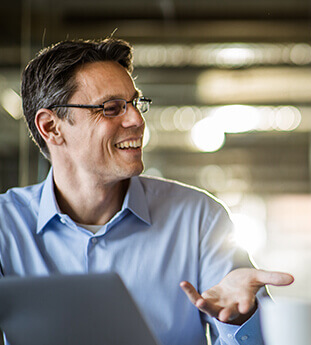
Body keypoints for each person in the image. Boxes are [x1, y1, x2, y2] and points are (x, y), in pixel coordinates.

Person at [0, 37, 293, 345]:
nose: (137, 119)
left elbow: (269, 340)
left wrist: (241, 322)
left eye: (135, 104)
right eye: (112, 108)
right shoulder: (6, 226)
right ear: (51, 127)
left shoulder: (198, 219)